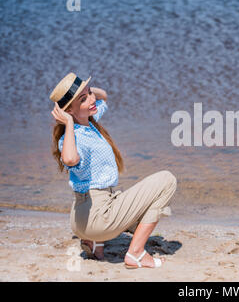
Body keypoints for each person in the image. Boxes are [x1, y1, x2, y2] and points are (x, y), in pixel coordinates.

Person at [49, 73, 177, 269]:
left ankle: (94, 242)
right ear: (70, 112)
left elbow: (104, 97)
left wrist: (85, 89)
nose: (92, 99)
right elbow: (69, 159)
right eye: (84, 99)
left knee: (143, 205)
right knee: (167, 180)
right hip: (98, 216)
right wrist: (66, 122)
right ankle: (135, 255)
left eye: (90, 94)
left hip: (82, 217)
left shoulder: (89, 122)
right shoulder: (72, 137)